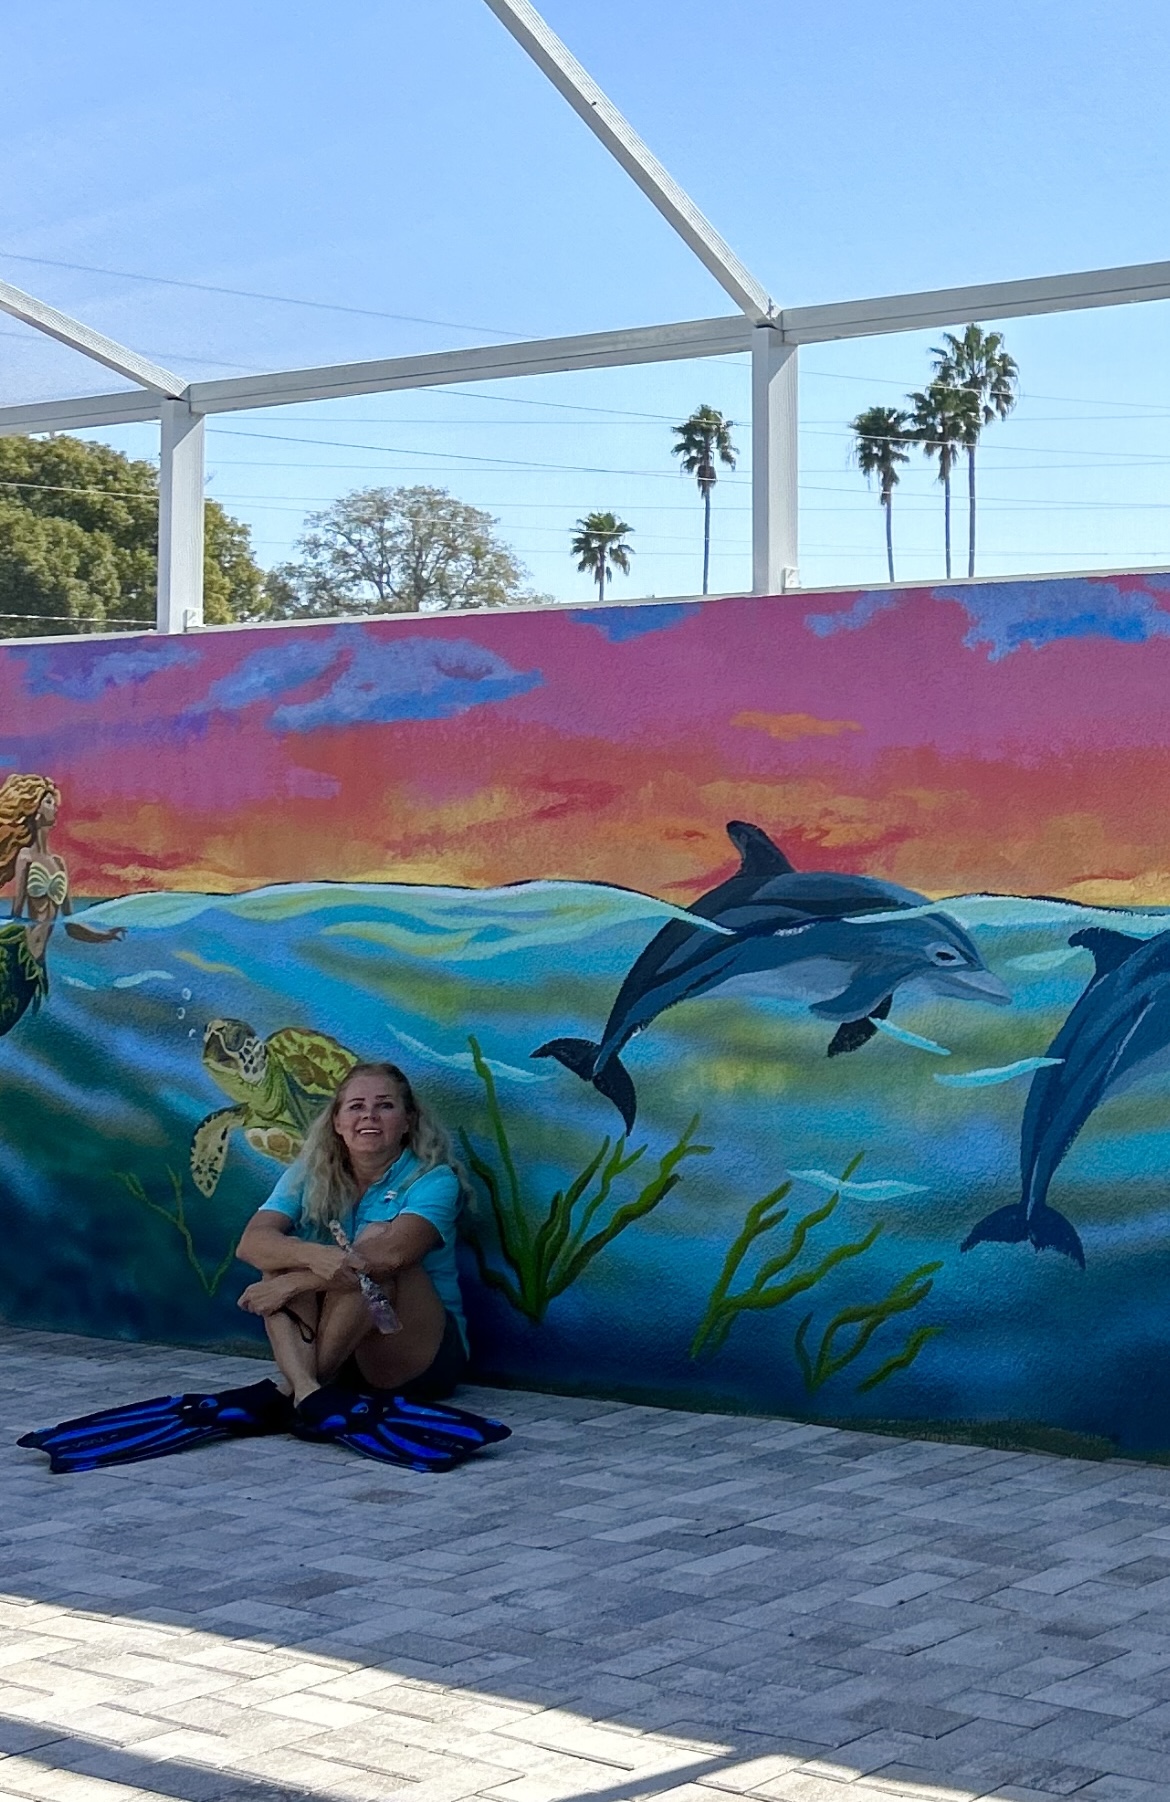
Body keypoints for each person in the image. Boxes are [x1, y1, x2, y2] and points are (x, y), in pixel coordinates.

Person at [235, 1061, 469, 1406]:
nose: (369, 1116)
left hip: (415, 1354)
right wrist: (311, 1257)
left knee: (375, 1256)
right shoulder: (307, 1173)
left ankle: (297, 1390)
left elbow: (395, 1254)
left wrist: (295, 1283)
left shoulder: (434, 1179)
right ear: (338, 1122)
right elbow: (252, 1243)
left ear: (407, 1121)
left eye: (385, 1106)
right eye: (356, 1106)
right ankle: (306, 1391)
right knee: (281, 1257)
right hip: (342, 1344)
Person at [0, 773, 125, 1036]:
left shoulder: (58, 864)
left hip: (35, 969)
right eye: (47, 801)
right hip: (15, 958)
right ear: (33, 810)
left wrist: (105, 934)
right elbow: (16, 914)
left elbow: (69, 924)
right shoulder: (25, 856)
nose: (54, 806)